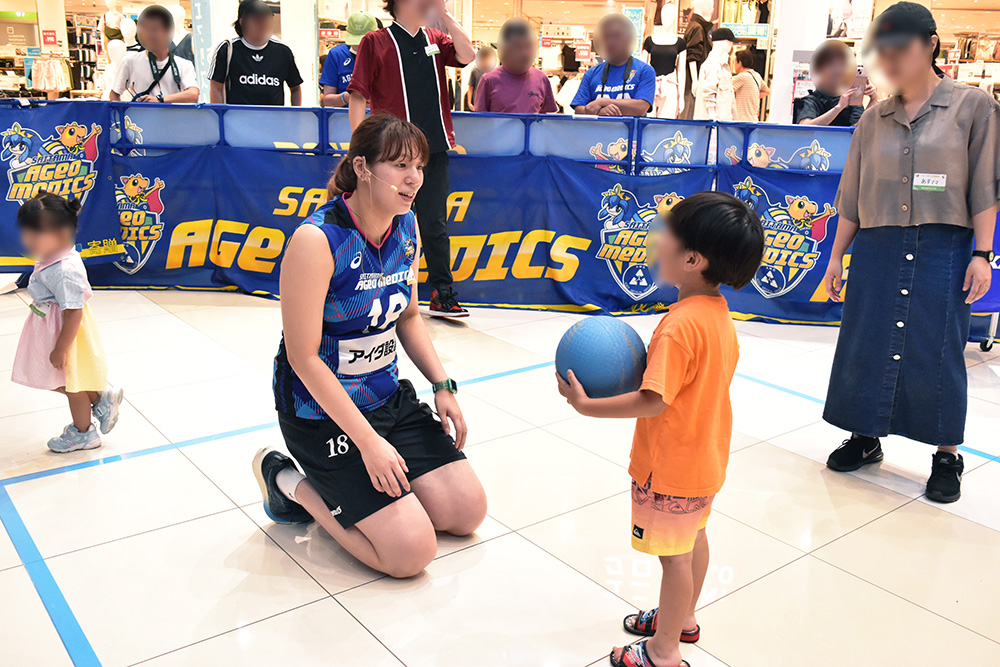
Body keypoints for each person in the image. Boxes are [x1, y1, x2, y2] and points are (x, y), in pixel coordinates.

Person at [254, 114, 487, 578]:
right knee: (409, 554)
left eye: (418, 166)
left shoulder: (407, 225)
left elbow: (410, 315)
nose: (414, 179)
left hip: (386, 397)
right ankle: (284, 479)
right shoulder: (317, 239)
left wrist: (442, 385)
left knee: (466, 513)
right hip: (322, 414)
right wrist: (368, 444)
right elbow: (302, 358)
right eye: (400, 165)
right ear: (361, 167)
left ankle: (380, 496)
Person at [557, 192, 764, 667]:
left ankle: (664, 650)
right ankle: (683, 618)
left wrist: (589, 407)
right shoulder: (717, 315)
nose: (657, 237)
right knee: (693, 540)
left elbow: (654, 400)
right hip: (705, 460)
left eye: (668, 231)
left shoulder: (676, 328)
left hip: (669, 467)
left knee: (672, 558)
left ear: (692, 259)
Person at [822, 2, 999, 503]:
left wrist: (981, 254)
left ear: (931, 46)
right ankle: (864, 435)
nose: (891, 59)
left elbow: (986, 186)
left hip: (944, 245)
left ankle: (947, 456)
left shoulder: (973, 108)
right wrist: (837, 256)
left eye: (901, 48)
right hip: (878, 245)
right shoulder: (873, 119)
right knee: (868, 339)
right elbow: (853, 196)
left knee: (938, 347)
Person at [347, 0, 476, 317]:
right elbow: (358, 96)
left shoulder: (435, 38)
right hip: (391, 153)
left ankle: (442, 292)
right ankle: (371, 288)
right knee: (383, 220)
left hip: (434, 149)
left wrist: (445, 15)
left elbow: (468, 55)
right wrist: (360, 148)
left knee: (434, 223)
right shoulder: (375, 42)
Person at [11, 192, 125, 453]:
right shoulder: (55, 257)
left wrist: (61, 348)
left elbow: (73, 312)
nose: (27, 240)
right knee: (60, 379)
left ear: (62, 235)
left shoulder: (64, 270)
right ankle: (100, 400)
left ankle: (84, 432)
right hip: (53, 327)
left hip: (63, 332)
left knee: (71, 385)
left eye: (34, 235)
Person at [209, 0, 304, 106]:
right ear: (242, 21)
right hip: (236, 120)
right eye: (256, 20)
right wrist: (219, 117)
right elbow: (216, 87)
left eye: (266, 19)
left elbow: (295, 88)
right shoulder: (227, 49)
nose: (262, 24)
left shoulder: (283, 52)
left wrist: (295, 117)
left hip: (274, 120)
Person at [571, 13, 656, 117]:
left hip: (631, 133)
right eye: (606, 37)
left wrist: (602, 102)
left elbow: (640, 108)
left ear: (628, 39)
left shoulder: (645, 71)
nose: (610, 42)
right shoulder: (591, 74)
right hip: (597, 132)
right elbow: (579, 110)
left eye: (616, 36)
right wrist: (600, 112)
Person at [109, 5, 198, 103]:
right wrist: (124, 114)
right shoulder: (130, 62)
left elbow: (194, 94)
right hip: (140, 118)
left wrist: (160, 100)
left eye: (155, 29)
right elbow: (114, 94)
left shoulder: (183, 64)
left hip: (172, 117)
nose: (150, 34)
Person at [474, 18, 557, 114]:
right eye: (518, 47)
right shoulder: (488, 80)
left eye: (528, 47)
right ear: (505, 49)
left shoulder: (542, 78)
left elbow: (546, 118)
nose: (525, 54)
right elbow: (480, 121)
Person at [794, 39, 874, 126]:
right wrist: (838, 108)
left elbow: (858, 128)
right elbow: (805, 126)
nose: (838, 71)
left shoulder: (850, 99)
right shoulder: (811, 101)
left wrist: (873, 101)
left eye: (844, 65)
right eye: (832, 65)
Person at [319, 11, 378, 108]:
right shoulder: (336, 55)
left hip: (377, 118)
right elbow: (327, 100)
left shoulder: (384, 53)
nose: (360, 45)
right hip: (342, 118)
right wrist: (346, 97)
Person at [693, 28, 736, 121]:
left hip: (720, 122)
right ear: (724, 42)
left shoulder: (722, 64)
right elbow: (708, 91)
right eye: (730, 43)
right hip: (713, 122)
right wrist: (712, 119)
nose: (731, 46)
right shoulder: (712, 64)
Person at [732, 49, 769, 122]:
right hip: (753, 120)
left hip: (741, 120)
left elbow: (725, 90)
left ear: (740, 63)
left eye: (735, 62)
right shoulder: (756, 75)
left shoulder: (742, 77)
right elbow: (767, 91)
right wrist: (752, 96)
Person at [465, 46, 496, 111]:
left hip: (489, 103)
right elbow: (471, 88)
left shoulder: (492, 71)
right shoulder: (475, 71)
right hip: (477, 103)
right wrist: (469, 102)